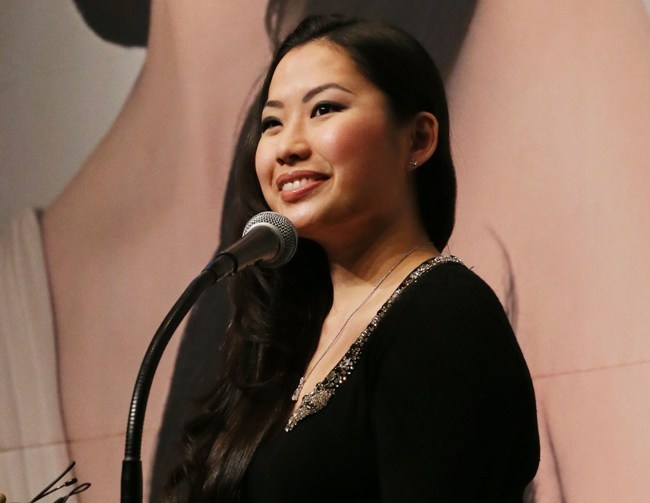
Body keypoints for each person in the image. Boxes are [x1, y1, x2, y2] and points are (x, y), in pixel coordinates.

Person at [164, 15, 539, 502]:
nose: (288, 147)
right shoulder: (278, 337)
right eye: (272, 123)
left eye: (323, 109)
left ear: (419, 139)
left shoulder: (443, 316)